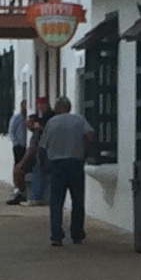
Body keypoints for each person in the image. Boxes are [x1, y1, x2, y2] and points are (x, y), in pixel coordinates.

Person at [36, 94, 93, 246]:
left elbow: (43, 146)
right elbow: (89, 135)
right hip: (75, 163)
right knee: (78, 200)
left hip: (57, 164)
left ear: (58, 108)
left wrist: (42, 165)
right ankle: (77, 233)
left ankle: (56, 235)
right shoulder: (79, 119)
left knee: (56, 202)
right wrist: (85, 152)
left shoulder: (52, 122)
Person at [7, 102, 34, 207]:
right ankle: (17, 187)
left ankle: (21, 188)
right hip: (18, 145)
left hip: (24, 145)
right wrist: (16, 142)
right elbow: (11, 130)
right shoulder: (17, 118)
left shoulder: (27, 118)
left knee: (22, 166)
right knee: (17, 165)